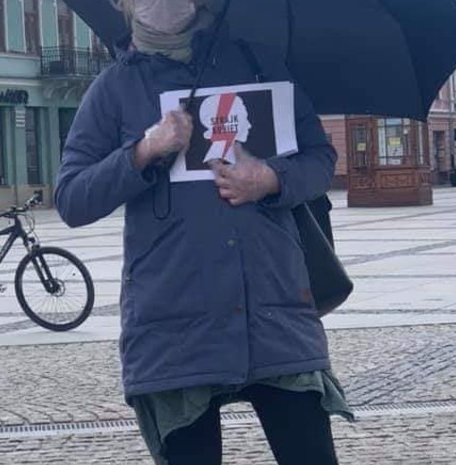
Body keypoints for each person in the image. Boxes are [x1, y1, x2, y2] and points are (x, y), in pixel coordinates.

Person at [54, 0, 352, 463]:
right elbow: (72, 198)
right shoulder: (115, 88)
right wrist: (143, 151)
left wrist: (270, 179)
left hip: (274, 315)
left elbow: (319, 157)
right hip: (173, 329)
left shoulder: (258, 65)